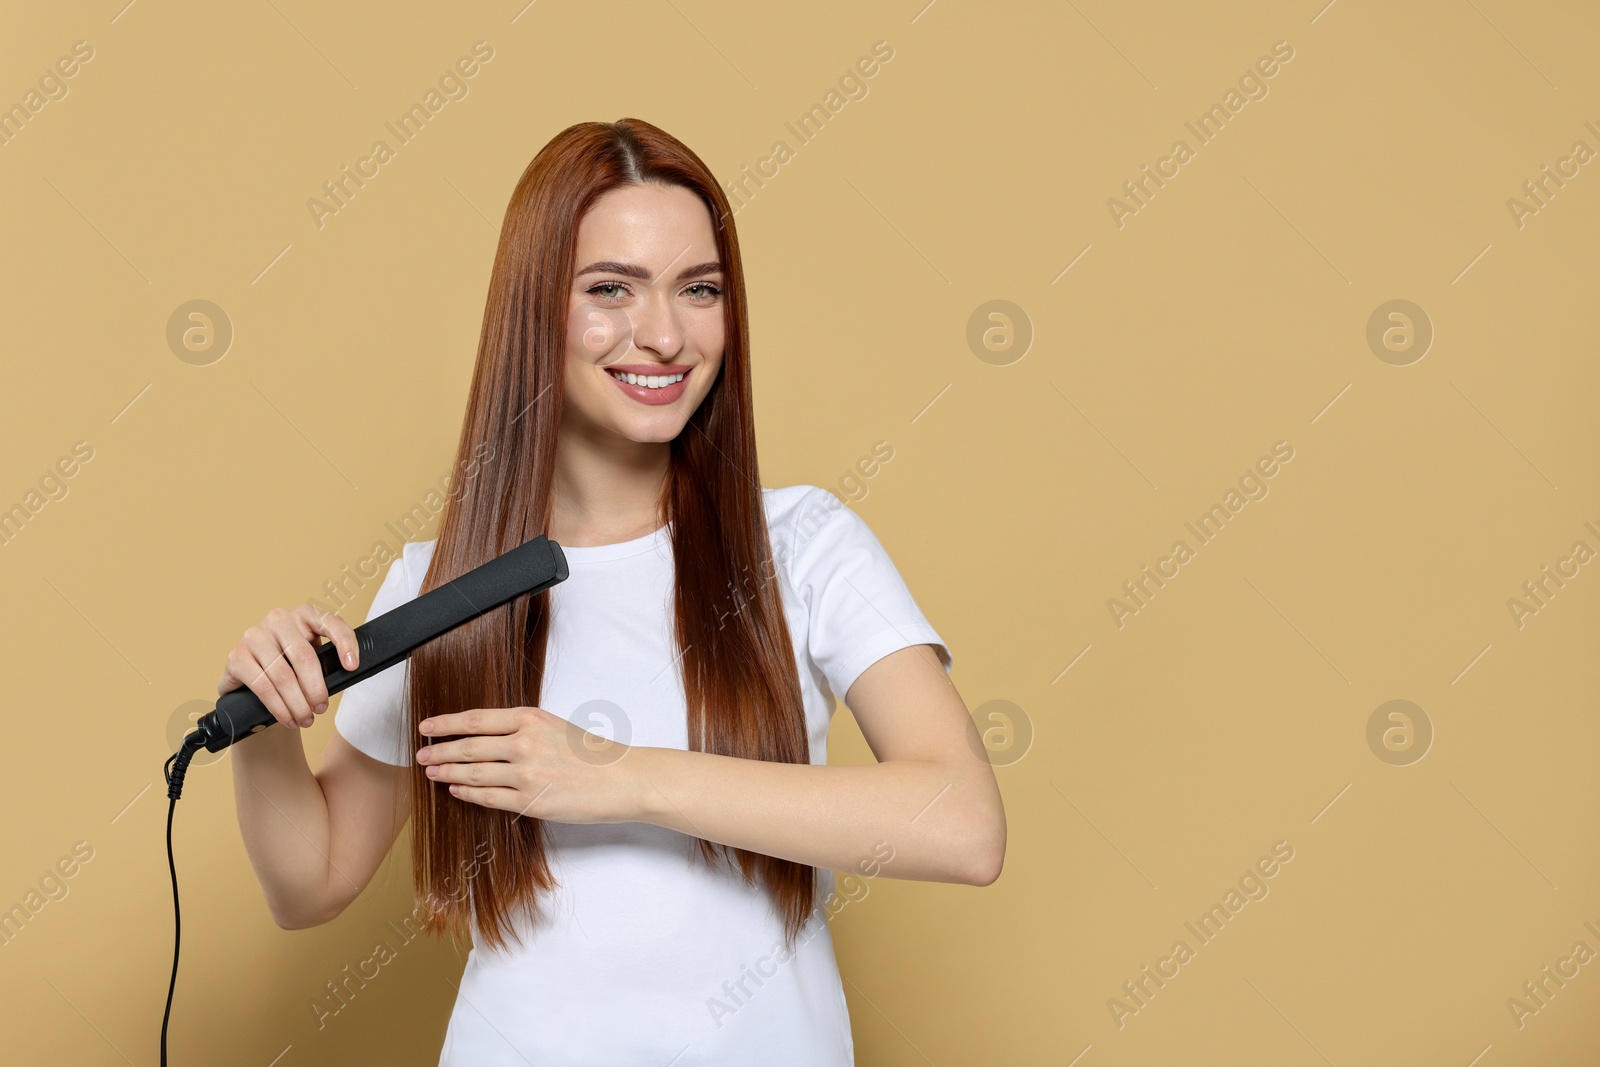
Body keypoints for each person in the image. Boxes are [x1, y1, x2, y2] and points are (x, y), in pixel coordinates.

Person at [223, 117, 1006, 1065]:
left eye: (699, 289)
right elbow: (311, 884)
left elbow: (964, 824)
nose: (665, 334)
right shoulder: (445, 586)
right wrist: (264, 724)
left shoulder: (801, 545)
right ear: (534, 311)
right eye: (610, 290)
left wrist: (618, 775)